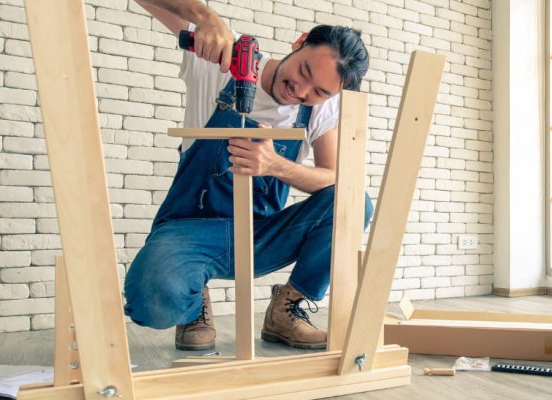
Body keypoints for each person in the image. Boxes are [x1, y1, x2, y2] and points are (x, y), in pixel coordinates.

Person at [123, 0, 372, 351]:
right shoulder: (227, 57)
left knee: (353, 203)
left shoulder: (321, 109)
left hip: (259, 236)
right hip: (190, 229)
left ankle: (287, 309)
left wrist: (277, 166)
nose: (301, 91)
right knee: (152, 302)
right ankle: (194, 305)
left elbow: (339, 178)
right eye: (304, 72)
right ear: (299, 42)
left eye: (320, 92)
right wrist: (204, 17)